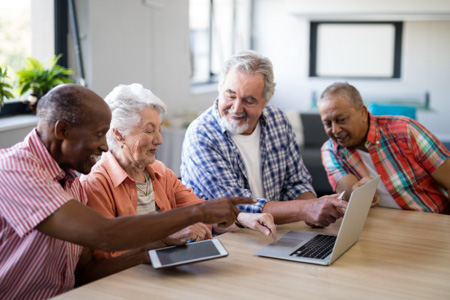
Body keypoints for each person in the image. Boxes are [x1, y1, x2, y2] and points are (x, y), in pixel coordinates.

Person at [0, 84, 255, 299]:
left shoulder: (71, 184)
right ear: (63, 130)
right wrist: (197, 211)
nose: (103, 146)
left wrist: (144, 254)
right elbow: (104, 234)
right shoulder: (14, 169)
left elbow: (85, 273)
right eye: (100, 135)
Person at [80, 83, 276, 260]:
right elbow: (106, 255)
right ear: (118, 134)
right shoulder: (96, 183)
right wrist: (163, 238)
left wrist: (244, 219)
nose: (159, 140)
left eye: (159, 130)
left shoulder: (160, 172)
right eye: (149, 131)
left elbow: (203, 213)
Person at [181, 50, 347, 227]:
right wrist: (306, 209)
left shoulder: (278, 120)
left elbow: (296, 183)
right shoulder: (201, 135)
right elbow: (236, 206)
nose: (236, 108)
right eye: (230, 96)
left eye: (249, 101)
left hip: (272, 232)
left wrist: (314, 210)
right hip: (223, 239)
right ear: (220, 90)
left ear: (265, 101)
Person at [318, 82, 450, 213]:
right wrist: (358, 194)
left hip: (432, 218)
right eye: (328, 123)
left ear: (363, 113)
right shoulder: (330, 150)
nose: (335, 130)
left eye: (341, 120)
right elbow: (349, 194)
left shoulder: (406, 130)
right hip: (382, 225)